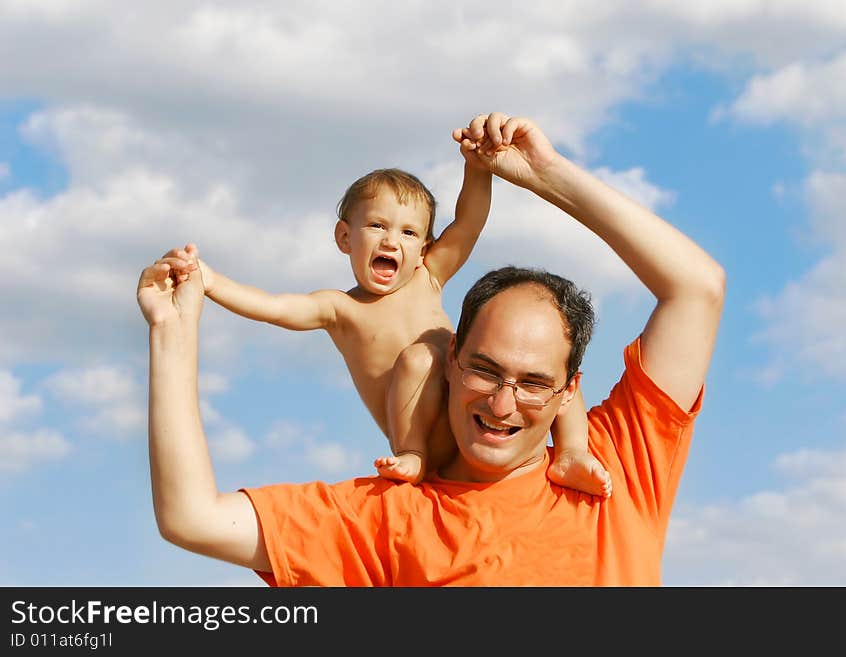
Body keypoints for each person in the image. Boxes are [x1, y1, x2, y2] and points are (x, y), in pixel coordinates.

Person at [137, 111, 725, 585]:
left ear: (569, 389)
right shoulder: (388, 519)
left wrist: (546, 174)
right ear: (452, 359)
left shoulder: (612, 472)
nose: (502, 404)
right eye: (485, 371)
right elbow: (192, 519)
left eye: (534, 382)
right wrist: (174, 328)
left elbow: (697, 288)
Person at [166, 127, 611, 495]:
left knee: (546, 367)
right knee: (422, 356)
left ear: (424, 248)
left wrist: (477, 169)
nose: (391, 241)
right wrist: (211, 281)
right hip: (430, 441)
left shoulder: (428, 275)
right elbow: (274, 308)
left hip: (475, 411)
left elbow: (470, 222)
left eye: (409, 232)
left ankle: (572, 452)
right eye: (376, 226)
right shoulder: (340, 308)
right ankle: (412, 455)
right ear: (345, 238)